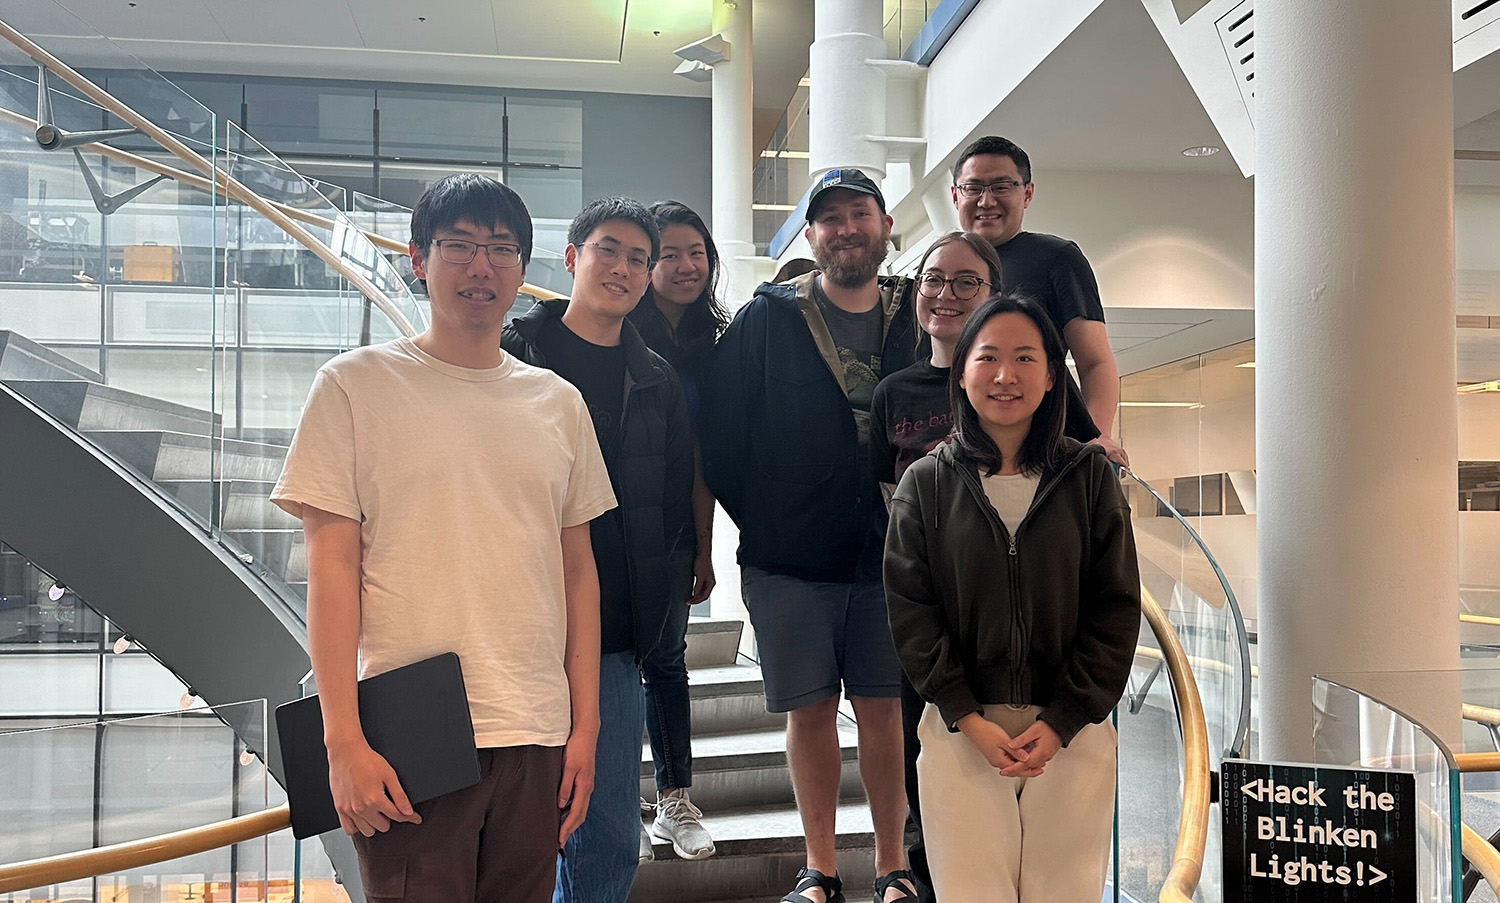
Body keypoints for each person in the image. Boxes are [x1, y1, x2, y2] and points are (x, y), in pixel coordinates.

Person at [270, 174, 615, 903]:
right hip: (409, 738)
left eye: (500, 249)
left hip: (535, 730)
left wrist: (585, 730)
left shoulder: (557, 404)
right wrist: (343, 741)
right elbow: (330, 574)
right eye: (458, 245)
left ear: (525, 269)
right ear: (419, 258)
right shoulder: (352, 386)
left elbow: (579, 574)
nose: (480, 266)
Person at [702, 168, 924, 903]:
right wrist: (768, 517)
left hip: (896, 563)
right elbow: (721, 436)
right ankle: (820, 867)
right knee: (811, 711)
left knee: (885, 710)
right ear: (810, 236)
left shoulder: (921, 316)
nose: (846, 228)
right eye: (829, 218)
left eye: (859, 213)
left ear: (885, 224)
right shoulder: (767, 320)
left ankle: (893, 866)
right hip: (790, 562)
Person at [884, 295, 1141, 903]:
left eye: (1026, 358)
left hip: (1072, 732)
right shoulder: (926, 483)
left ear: (1054, 375)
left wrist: (1063, 720)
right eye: (989, 357)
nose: (1006, 375)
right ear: (962, 371)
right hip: (962, 732)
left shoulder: (1089, 477)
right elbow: (911, 612)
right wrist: (966, 716)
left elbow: (1115, 608)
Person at [500, 196, 694, 903]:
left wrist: (661, 615)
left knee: (607, 828)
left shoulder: (656, 378)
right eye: (607, 250)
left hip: (611, 636)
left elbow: (673, 505)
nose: (623, 268)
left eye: (638, 258)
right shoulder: (512, 352)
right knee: (512, 824)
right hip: (513, 628)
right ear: (573, 257)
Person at [868, 230, 1004, 903]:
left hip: (1002, 615)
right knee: (923, 752)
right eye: (933, 279)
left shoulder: (1014, 383)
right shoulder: (894, 391)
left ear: (994, 294)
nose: (945, 293)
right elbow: (877, 497)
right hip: (918, 614)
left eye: (965, 281)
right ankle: (920, 876)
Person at [623, 199, 727, 862]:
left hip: (672, 527)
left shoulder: (715, 343)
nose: (685, 265)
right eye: (668, 254)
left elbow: (703, 452)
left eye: (697, 252)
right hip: (609, 520)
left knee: (665, 660)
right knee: (604, 662)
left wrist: (704, 544)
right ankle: (612, 794)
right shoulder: (617, 332)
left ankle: (674, 800)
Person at [950, 135, 1128, 466]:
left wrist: (1095, 436)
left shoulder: (1057, 258)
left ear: (1027, 193)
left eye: (1001, 187)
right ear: (955, 196)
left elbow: (1095, 361)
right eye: (973, 188)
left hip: (1047, 450)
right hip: (966, 448)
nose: (986, 201)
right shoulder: (945, 267)